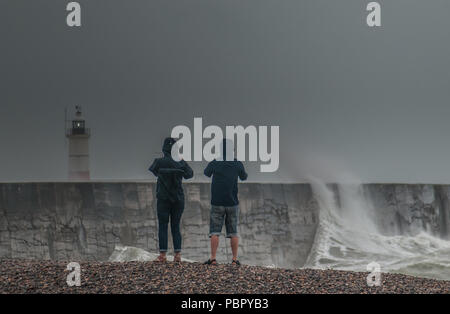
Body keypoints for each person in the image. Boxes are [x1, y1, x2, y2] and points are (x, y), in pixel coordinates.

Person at [203, 138, 248, 265]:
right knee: (233, 232)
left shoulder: (215, 163)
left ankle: (213, 258)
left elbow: (206, 173)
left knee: (215, 232)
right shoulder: (237, 163)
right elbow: (244, 177)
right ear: (231, 150)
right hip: (232, 202)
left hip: (217, 202)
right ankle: (234, 260)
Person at [149, 137, 193, 262]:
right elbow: (190, 174)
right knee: (175, 225)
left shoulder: (158, 162)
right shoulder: (180, 162)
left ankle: (162, 255)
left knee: (163, 225)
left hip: (163, 198)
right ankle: (177, 254)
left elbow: (153, 171)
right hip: (178, 199)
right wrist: (181, 161)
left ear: (164, 149)